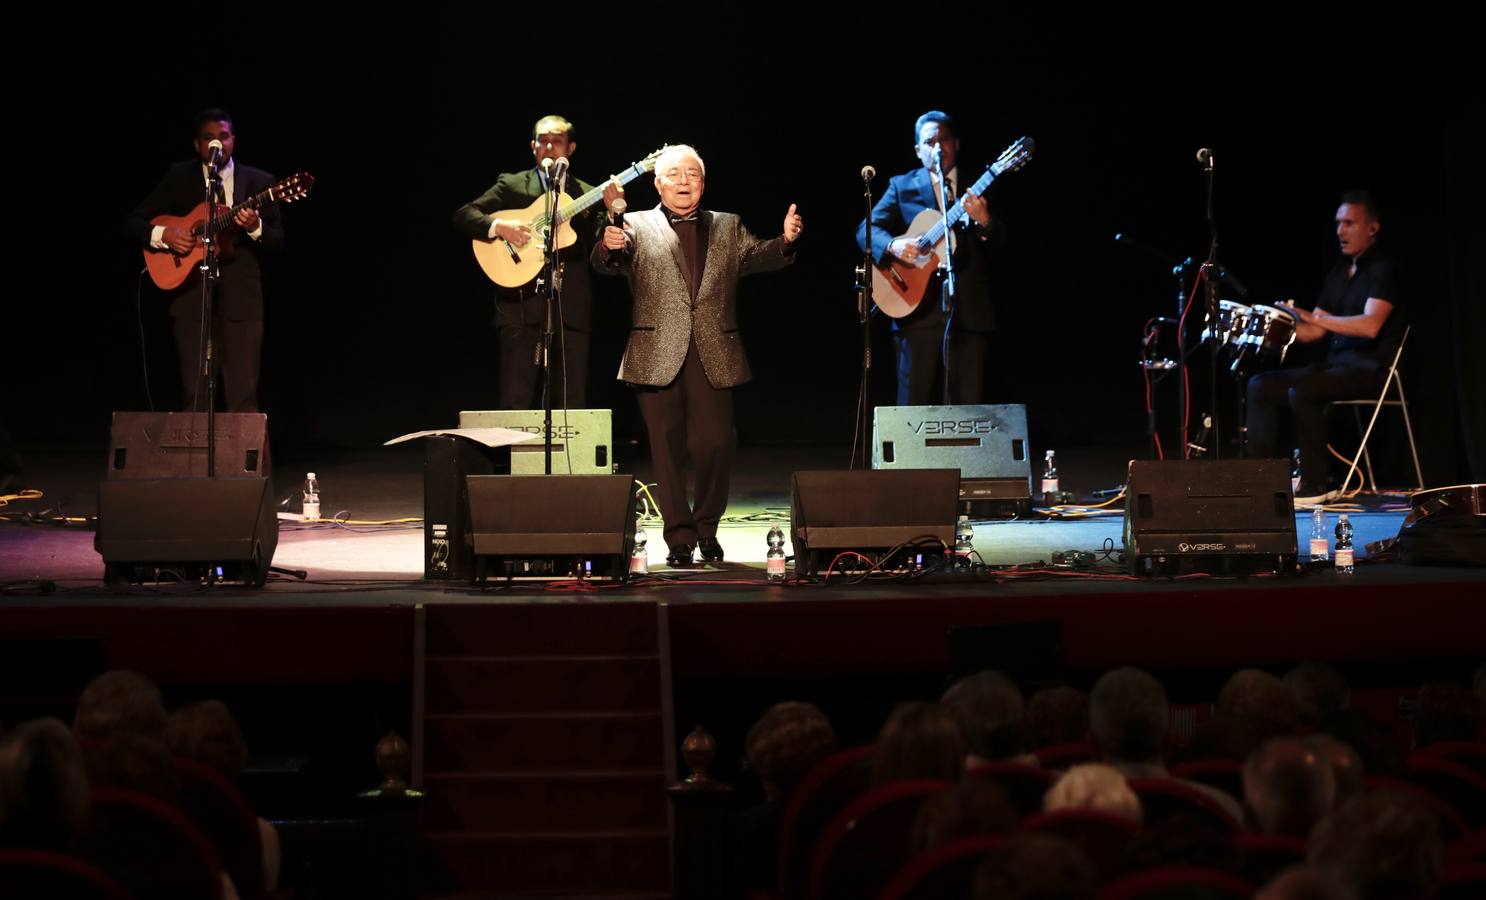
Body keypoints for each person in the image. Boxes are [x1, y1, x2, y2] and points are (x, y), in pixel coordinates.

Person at [593, 144, 802, 566]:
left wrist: (784, 241)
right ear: (658, 183)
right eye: (674, 174)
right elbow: (607, 261)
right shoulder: (633, 223)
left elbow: (755, 256)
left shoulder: (728, 225)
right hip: (656, 350)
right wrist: (607, 244)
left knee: (715, 444)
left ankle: (707, 526)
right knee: (665, 449)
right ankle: (680, 539)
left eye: (692, 174)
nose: (683, 181)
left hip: (713, 349)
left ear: (704, 183)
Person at [1245, 191, 1405, 503]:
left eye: (1349, 223)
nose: (1340, 231)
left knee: (1303, 389)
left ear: (1372, 228)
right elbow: (1314, 332)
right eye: (1337, 224)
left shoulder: (1383, 270)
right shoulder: (1338, 273)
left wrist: (1311, 317)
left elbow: (1370, 326)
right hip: (1335, 368)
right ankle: (1260, 479)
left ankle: (1317, 484)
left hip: (1372, 369)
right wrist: (1277, 329)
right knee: (1260, 385)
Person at [454, 114, 620, 409]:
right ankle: (515, 455)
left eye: (557, 140)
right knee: (516, 397)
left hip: (570, 308)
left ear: (571, 148)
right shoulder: (513, 184)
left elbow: (601, 244)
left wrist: (611, 213)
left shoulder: (585, 192)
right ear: (533, 146)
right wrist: (499, 227)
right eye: (542, 140)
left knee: (569, 401)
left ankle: (565, 456)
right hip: (518, 305)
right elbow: (465, 215)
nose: (549, 146)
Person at [125, 108, 284, 412]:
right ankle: (195, 459)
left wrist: (253, 226)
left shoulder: (259, 181)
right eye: (209, 138)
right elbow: (133, 221)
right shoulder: (178, 177)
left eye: (223, 136)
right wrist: (164, 235)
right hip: (191, 295)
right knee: (194, 389)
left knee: (244, 391)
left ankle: (242, 460)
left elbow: (277, 242)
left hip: (242, 297)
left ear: (233, 140)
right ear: (197, 145)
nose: (218, 143)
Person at [856, 110, 1006, 406]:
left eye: (944, 139)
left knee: (969, 409)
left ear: (957, 144)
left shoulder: (976, 185)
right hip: (914, 311)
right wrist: (894, 247)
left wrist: (984, 221)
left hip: (969, 312)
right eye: (930, 141)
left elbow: (1001, 240)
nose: (938, 146)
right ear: (918, 150)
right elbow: (866, 230)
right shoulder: (902, 185)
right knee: (913, 405)